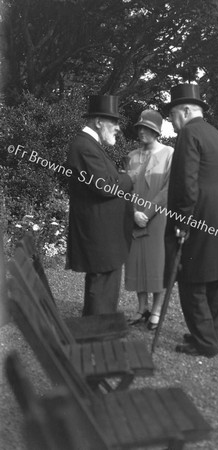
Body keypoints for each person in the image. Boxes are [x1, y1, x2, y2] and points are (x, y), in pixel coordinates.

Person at [164, 84, 218, 357]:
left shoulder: (189, 133)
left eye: (173, 114)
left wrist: (181, 222)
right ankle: (210, 335)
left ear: (187, 111)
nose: (171, 121)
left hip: (200, 215)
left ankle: (205, 341)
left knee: (190, 277)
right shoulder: (217, 135)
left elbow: (185, 184)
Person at [66, 94, 134, 316]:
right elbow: (105, 186)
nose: (117, 128)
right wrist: (129, 178)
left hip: (103, 235)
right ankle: (97, 334)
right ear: (98, 122)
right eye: (113, 122)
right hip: (100, 236)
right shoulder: (85, 146)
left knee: (103, 285)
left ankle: (97, 330)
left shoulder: (89, 145)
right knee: (102, 286)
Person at [125, 110, 174, 330]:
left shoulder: (169, 153)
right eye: (139, 128)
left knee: (157, 264)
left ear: (156, 131)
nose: (141, 131)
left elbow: (168, 188)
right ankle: (141, 307)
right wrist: (134, 212)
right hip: (135, 218)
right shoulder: (132, 156)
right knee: (136, 263)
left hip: (158, 218)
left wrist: (147, 212)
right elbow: (126, 187)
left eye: (146, 128)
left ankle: (156, 310)